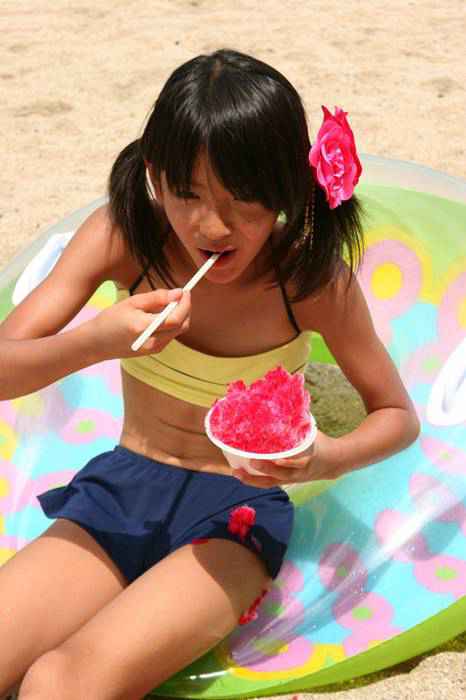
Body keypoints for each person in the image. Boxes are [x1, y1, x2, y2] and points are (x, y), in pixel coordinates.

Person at [0, 49, 420, 700]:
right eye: (189, 194)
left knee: (58, 681)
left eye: (242, 200)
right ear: (155, 175)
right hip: (119, 490)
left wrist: (323, 459)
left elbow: (397, 415)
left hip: (236, 515)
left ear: (285, 191)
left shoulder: (306, 278)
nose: (213, 226)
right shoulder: (123, 236)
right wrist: (96, 342)